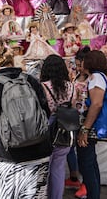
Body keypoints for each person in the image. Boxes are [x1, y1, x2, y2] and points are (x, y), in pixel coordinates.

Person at [0, 38, 52, 199]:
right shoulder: (31, 80)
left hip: (8, 156)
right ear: (12, 60)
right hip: (39, 153)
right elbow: (47, 112)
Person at [40, 54, 76, 199]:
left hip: (47, 129)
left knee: (44, 167)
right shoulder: (71, 86)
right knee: (58, 168)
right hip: (65, 129)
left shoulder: (43, 86)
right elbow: (73, 107)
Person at [76, 50, 107, 199]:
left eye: (84, 61)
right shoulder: (97, 77)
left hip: (89, 127)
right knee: (90, 163)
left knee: (87, 165)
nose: (81, 64)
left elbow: (96, 104)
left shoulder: (95, 78)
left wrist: (85, 129)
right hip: (90, 126)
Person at [65, 47, 91, 199]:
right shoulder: (77, 77)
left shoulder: (91, 79)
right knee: (69, 148)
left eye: (80, 65)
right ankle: (74, 177)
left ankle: (85, 185)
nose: (78, 68)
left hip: (83, 120)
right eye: (77, 65)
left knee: (84, 154)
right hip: (73, 117)